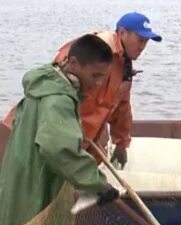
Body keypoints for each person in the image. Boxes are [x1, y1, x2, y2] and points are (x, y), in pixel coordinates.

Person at [0, 34, 121, 225]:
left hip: (19, 177)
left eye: (104, 78)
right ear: (74, 64)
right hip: (36, 184)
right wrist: (97, 184)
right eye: (95, 76)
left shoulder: (46, 84)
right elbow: (58, 149)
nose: (98, 84)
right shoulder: (59, 99)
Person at [3, 12, 162, 168]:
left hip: (76, 141)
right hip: (41, 137)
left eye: (146, 42)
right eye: (140, 40)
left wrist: (121, 143)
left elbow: (122, 106)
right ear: (122, 33)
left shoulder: (124, 67)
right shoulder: (91, 51)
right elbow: (53, 93)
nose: (142, 47)